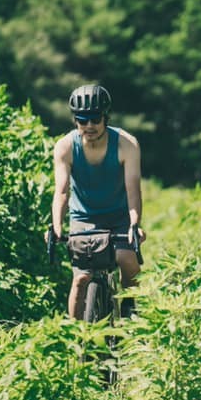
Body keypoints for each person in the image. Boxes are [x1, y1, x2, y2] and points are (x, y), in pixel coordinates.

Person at [51, 84, 146, 318]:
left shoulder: (126, 144)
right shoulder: (65, 147)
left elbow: (132, 188)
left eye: (95, 119)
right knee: (81, 279)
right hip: (84, 218)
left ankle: (129, 312)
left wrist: (134, 224)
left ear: (105, 117)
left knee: (127, 260)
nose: (89, 126)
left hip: (119, 216)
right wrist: (56, 227)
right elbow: (62, 191)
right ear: (75, 120)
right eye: (83, 120)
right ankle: (77, 341)